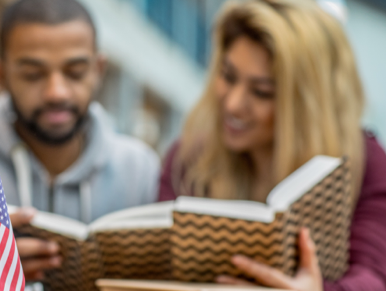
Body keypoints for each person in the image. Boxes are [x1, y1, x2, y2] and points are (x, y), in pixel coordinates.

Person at [0, 0, 159, 282]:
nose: (56, 92)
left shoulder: (141, 170)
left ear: (99, 70)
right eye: (33, 74)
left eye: (75, 72)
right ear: (0, 75)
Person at [158, 0, 386, 290]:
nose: (233, 103)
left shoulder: (366, 164)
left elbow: (373, 278)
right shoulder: (189, 160)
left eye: (261, 92)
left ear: (307, 104)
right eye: (228, 76)